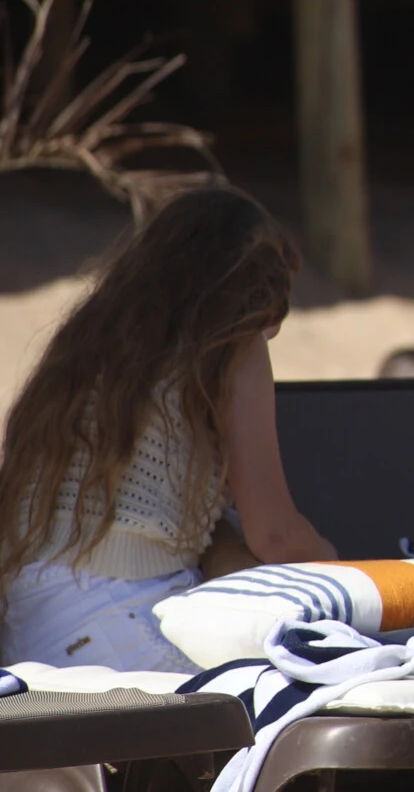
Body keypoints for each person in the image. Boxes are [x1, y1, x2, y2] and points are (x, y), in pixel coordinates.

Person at [0, 186, 337, 673]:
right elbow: (276, 536)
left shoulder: (91, 341)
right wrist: (339, 566)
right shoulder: (232, 346)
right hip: (116, 620)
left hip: (27, 624)